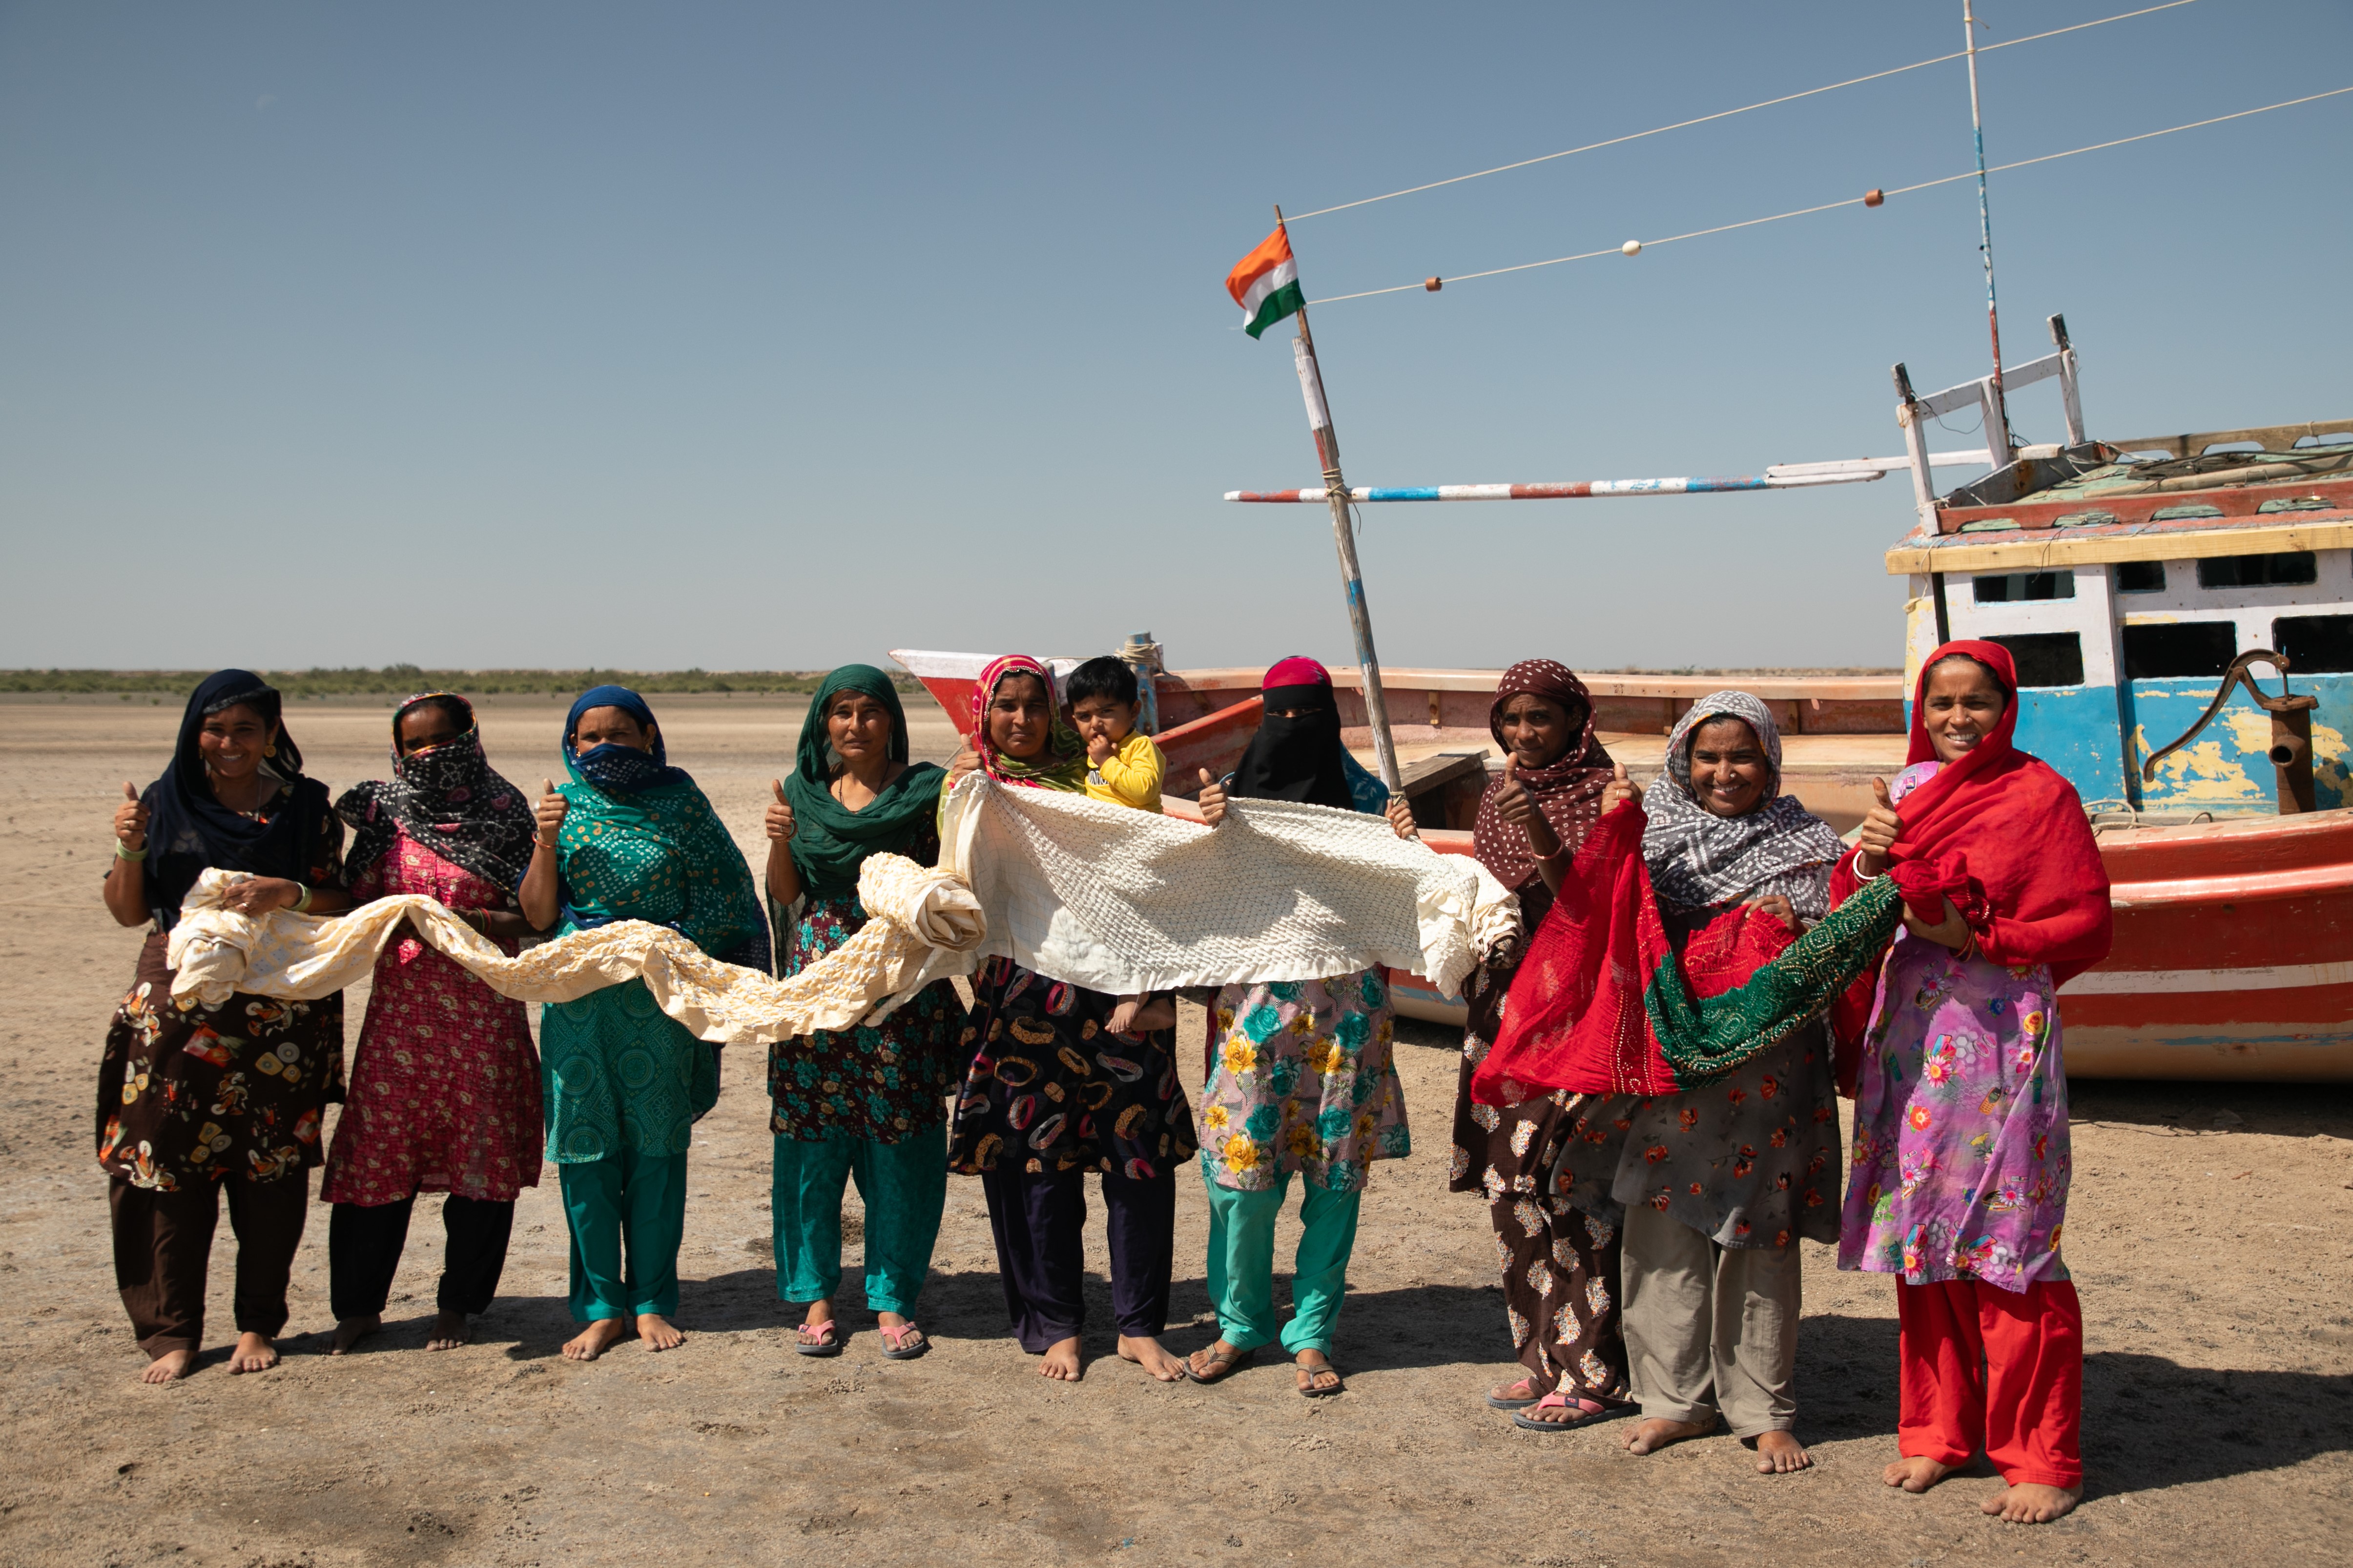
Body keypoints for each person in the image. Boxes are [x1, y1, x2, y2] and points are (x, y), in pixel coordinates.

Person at [1836, 641, 2111, 1525]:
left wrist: (1974, 935)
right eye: (1943, 701)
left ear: (2008, 706)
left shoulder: (2044, 796)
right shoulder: (1909, 790)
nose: (1959, 718)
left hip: (2001, 1038)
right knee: (1924, 1229)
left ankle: (2042, 1455)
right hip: (1915, 1034)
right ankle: (1937, 1432)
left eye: (1978, 701)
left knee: (2011, 1237)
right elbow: (1856, 905)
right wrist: (1873, 861)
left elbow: (2082, 917)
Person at [1558, 693, 1846, 1468]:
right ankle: (1674, 1401)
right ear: (1683, 760)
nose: (1725, 772)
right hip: (1675, 1061)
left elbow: (1842, 941)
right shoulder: (1652, 837)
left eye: (1742, 755)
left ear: (1771, 763)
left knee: (1760, 1226)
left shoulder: (1809, 843)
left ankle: (1762, 1406)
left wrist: (1797, 922)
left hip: (1770, 1073)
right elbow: (1605, 918)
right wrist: (1612, 835)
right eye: (1707, 756)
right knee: (1663, 1222)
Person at [943, 655, 1198, 1382]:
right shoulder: (967, 788)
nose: (1021, 719)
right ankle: (1057, 1321)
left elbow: (1148, 865)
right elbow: (956, 886)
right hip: (1024, 999)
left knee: (1138, 1162)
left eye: (1033, 705)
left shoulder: (1099, 778)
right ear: (983, 714)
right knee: (1037, 1167)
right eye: (1005, 707)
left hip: (1121, 997)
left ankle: (1139, 1323)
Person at [98, 670, 351, 1382]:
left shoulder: (307, 808)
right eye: (216, 728)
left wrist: (288, 891)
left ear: (273, 734)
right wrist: (127, 847)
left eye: (246, 729)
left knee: (269, 1164)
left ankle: (256, 1324)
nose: (230, 743)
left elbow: (342, 899)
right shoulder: (162, 802)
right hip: (177, 1005)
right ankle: (171, 1330)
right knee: (166, 1162)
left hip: (279, 1010)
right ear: (194, 732)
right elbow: (127, 910)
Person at [1185, 656, 1419, 1397]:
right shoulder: (1229, 801)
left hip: (1347, 1020)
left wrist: (1402, 838)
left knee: (1335, 1181)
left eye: (1308, 714)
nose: (1294, 730)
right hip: (1256, 1018)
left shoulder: (1371, 801)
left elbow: (1408, 897)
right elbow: (1199, 899)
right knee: (1241, 1186)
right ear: (1263, 715)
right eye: (1280, 714)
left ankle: (1313, 1333)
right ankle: (1238, 1324)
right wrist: (1210, 835)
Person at [518, 685, 769, 1362]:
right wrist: (544, 841)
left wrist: (671, 945)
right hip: (579, 1003)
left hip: (660, 1003)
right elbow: (539, 916)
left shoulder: (682, 805)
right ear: (571, 746)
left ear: (649, 737)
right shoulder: (560, 810)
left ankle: (654, 1299)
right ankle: (600, 1306)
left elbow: (726, 895)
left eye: (620, 735)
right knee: (585, 1154)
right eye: (589, 737)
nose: (604, 748)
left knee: (657, 1152)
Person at [323, 692, 545, 1356]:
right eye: (416, 745)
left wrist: (460, 923)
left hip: (483, 1016)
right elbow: (351, 903)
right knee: (376, 1160)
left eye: (444, 740)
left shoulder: (506, 816)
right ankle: (359, 1307)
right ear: (398, 751)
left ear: (471, 738)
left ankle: (460, 1306)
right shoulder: (383, 817)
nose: (431, 756)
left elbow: (533, 919)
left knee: (481, 1161)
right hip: (399, 1023)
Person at [1446, 660, 1633, 1428]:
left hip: (1571, 1011)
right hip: (1501, 1012)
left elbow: (1587, 907)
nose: (1525, 734)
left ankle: (1595, 1370)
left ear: (1574, 722)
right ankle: (1539, 1356)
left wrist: (1537, 830)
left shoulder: (1606, 796)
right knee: (1510, 1194)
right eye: (1512, 720)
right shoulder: (1498, 794)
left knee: (1570, 1187)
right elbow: (1486, 896)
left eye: (1541, 720)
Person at [763, 664, 958, 1361]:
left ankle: (892, 1299)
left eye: (869, 712)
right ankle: (815, 1296)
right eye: (841, 712)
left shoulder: (927, 790)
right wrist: (781, 837)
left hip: (901, 986)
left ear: (891, 722)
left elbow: (957, 872)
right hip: (819, 985)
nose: (855, 725)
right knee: (814, 1142)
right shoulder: (802, 796)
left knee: (900, 1143)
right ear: (823, 723)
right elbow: (789, 895)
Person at [1067, 655, 1165, 815]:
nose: (1095, 724)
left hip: (1140, 831)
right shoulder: (1094, 748)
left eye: (1106, 711)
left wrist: (1107, 762)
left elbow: (1144, 793)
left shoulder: (1140, 746)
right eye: (1084, 716)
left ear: (1133, 711)